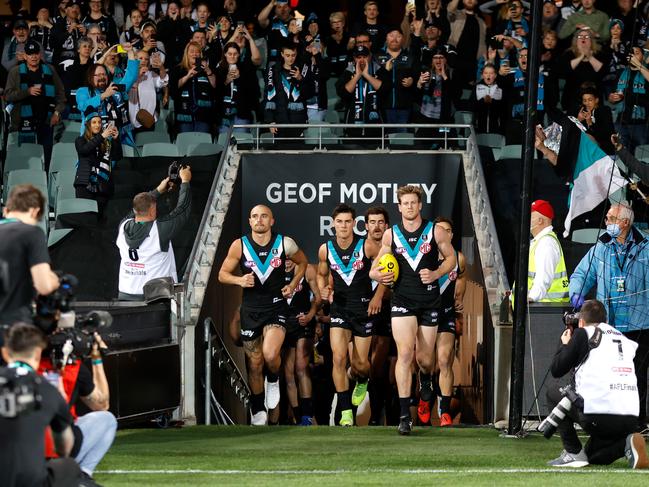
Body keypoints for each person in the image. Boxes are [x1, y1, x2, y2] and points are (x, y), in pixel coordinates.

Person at [369, 185, 456, 435]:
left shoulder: (435, 230)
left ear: (420, 205)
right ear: (399, 207)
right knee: (405, 354)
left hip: (429, 302)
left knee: (425, 360)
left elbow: (452, 259)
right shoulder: (390, 235)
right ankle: (405, 416)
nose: (409, 207)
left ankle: (426, 378)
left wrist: (437, 273)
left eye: (413, 203)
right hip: (402, 301)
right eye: (404, 203)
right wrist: (379, 275)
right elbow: (374, 269)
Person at [218, 204, 308, 426]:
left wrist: (294, 283)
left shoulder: (284, 243)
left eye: (264, 216)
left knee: (270, 354)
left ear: (272, 220)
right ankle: (258, 408)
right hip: (250, 311)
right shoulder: (239, 246)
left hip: (276, 309)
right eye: (255, 217)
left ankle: (274, 379)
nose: (259, 220)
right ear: (249, 221)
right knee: (255, 363)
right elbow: (222, 274)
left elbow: (303, 262)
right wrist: (239, 280)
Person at [569, 203, 649, 430]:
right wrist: (577, 292)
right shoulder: (601, 247)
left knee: (637, 376)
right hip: (610, 325)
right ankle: (607, 420)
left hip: (639, 322)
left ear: (625, 222)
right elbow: (582, 273)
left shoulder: (646, 247)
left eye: (612, 219)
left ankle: (637, 422)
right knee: (607, 374)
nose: (607, 222)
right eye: (607, 219)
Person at [546, 299, 648, 468]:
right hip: (629, 419)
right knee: (593, 457)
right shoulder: (623, 338)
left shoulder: (583, 333)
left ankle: (572, 452)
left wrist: (564, 344)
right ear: (606, 321)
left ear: (581, 321)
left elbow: (557, 369)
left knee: (553, 391)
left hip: (597, 414)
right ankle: (626, 443)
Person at [317, 204, 385, 427]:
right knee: (337, 357)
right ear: (333, 223)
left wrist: (378, 297)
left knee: (361, 364)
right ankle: (346, 410)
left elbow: (387, 271)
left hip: (364, 310)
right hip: (340, 310)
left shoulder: (367, 246)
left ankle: (362, 378)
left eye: (348, 222)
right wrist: (324, 290)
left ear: (354, 224)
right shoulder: (325, 249)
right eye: (340, 222)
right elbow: (321, 274)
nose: (344, 226)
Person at [0, 323, 81, 487]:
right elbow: (65, 447)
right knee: (69, 466)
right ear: (38, 354)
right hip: (31, 481)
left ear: (5, 352)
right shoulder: (48, 390)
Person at [39, 327, 116, 482]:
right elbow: (102, 404)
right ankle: (81, 476)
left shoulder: (13, 366)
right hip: (58, 442)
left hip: (19, 445)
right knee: (107, 419)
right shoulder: (73, 367)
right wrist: (96, 357)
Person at [116, 168, 192, 300]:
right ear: (152, 210)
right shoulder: (159, 229)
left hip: (126, 293)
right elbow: (182, 209)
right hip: (154, 297)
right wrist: (185, 181)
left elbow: (133, 212)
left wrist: (157, 191)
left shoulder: (123, 226)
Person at [418, 216, 466, 427]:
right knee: (426, 362)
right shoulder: (422, 256)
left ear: (451, 235)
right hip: (425, 314)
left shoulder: (458, 258)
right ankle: (425, 392)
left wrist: (459, 299)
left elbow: (462, 277)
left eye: (448, 231)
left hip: (446, 314)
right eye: (441, 230)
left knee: (445, 359)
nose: (444, 234)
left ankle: (444, 411)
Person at [0, 186, 59, 326]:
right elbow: (43, 286)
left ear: (6, 210)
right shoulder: (32, 233)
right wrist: (55, 280)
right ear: (35, 211)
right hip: (13, 325)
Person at [4, 39, 66, 169]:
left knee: (46, 157)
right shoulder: (15, 72)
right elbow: (8, 95)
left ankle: (44, 185)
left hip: (46, 121)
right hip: (22, 122)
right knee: (26, 159)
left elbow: (61, 94)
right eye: (30, 54)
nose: (33, 56)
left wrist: (57, 112)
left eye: (36, 53)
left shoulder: (49, 70)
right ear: (25, 56)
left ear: (40, 55)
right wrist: (27, 92)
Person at [76, 42, 140, 147]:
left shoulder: (114, 89)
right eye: (98, 75)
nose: (101, 77)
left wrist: (130, 52)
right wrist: (103, 95)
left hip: (115, 140)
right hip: (92, 142)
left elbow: (130, 76)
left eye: (104, 74)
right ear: (91, 78)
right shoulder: (83, 91)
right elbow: (83, 105)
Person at [363, 206, 392, 426]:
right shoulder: (361, 246)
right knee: (362, 365)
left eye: (380, 222)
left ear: (387, 225)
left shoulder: (393, 246)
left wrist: (379, 297)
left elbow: (388, 279)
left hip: (389, 309)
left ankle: (379, 415)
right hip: (362, 310)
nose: (376, 226)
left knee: (381, 366)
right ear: (366, 226)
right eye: (372, 222)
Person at [282, 260, 321, 426]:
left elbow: (318, 298)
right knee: (288, 373)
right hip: (284, 323)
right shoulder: (273, 271)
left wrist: (311, 315)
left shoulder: (307, 270)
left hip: (303, 321)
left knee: (301, 367)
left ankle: (307, 415)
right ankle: (299, 417)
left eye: (291, 259)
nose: (287, 263)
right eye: (285, 259)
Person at [337, 40, 388, 141]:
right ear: (354, 58)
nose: (362, 60)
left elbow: (384, 89)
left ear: (369, 57)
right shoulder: (348, 71)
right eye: (359, 57)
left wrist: (367, 75)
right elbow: (343, 93)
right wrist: (357, 76)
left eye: (364, 57)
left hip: (376, 129)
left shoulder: (379, 70)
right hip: (353, 129)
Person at [74, 108, 122, 215]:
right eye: (94, 122)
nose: (97, 125)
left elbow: (117, 157)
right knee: (85, 218)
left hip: (103, 185)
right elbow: (84, 150)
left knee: (101, 219)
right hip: (85, 185)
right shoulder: (80, 140)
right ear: (88, 124)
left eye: (99, 122)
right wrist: (102, 136)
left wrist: (116, 140)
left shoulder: (106, 141)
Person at [524, 200, 569, 304]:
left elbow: (543, 278)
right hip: (541, 308)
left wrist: (531, 298)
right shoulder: (540, 241)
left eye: (530, 216)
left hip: (543, 310)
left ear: (540, 220)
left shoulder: (546, 243)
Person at [171, 41, 217, 134]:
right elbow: (174, 87)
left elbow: (214, 86)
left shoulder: (206, 70)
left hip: (203, 115)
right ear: (186, 54)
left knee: (202, 144)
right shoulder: (178, 69)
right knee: (186, 143)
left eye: (197, 52)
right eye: (192, 51)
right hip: (184, 114)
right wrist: (188, 76)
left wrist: (208, 70)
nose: (195, 54)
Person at [264, 43, 307, 142]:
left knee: (299, 155)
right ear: (282, 54)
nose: (291, 58)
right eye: (287, 55)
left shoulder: (303, 69)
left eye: (293, 55)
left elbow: (309, 93)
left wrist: (300, 79)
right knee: (280, 155)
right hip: (280, 120)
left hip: (298, 121)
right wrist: (270, 121)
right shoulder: (273, 70)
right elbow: (269, 96)